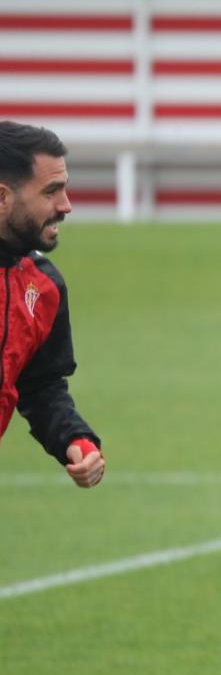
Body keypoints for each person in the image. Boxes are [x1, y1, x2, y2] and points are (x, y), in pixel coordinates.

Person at [0, 121, 104, 488]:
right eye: (51, 191)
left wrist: (75, 440)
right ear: (2, 197)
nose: (66, 206)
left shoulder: (43, 286)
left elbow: (41, 384)